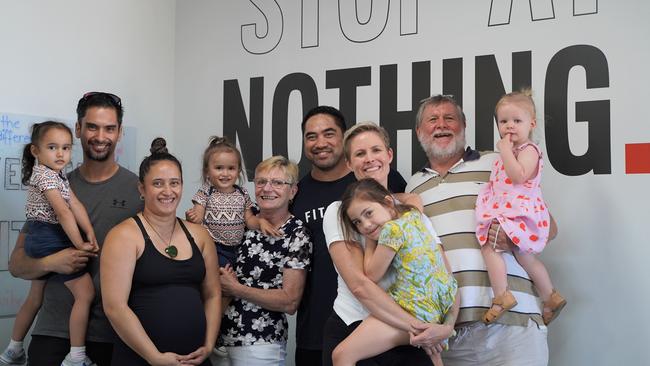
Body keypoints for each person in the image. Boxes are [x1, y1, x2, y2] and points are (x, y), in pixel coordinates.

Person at [406, 94, 558, 365]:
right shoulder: (412, 188)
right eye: (432, 119)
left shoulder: (499, 162)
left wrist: (514, 236)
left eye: (450, 118)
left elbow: (548, 226)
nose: (442, 125)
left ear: (463, 126)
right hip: (449, 334)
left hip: (514, 326)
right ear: (419, 131)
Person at [8, 92, 142, 366]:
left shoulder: (138, 190)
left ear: (119, 133)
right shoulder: (52, 184)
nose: (100, 136)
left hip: (114, 334)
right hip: (53, 333)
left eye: (109, 128)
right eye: (92, 126)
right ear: (78, 129)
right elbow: (17, 265)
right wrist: (52, 262)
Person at [322, 122, 445, 366]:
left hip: (409, 335)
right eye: (359, 153)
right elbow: (360, 286)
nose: (369, 159)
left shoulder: (412, 214)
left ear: (389, 155)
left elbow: (441, 273)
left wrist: (445, 325)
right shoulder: (338, 212)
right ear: (349, 164)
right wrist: (417, 327)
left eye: (376, 150)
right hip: (356, 327)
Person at [292, 106, 406, 366]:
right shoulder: (298, 192)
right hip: (326, 322)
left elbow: (401, 205)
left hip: (387, 323)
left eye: (329, 133)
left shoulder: (382, 183)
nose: (320, 142)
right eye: (311, 136)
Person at [101, 138, 220, 366]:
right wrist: (154, 357)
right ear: (142, 189)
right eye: (158, 183)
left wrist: (208, 345)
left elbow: (213, 295)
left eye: (175, 183)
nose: (168, 191)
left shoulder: (199, 235)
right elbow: (115, 307)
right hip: (140, 360)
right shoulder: (123, 236)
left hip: (195, 361)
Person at [1, 122, 99, 366]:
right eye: (52, 147)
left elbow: (76, 205)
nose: (60, 154)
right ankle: (76, 356)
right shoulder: (45, 175)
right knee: (85, 295)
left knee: (35, 297)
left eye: (66, 148)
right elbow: (64, 213)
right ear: (36, 151)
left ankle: (13, 350)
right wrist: (79, 245)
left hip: (39, 236)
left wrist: (90, 234)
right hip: (48, 238)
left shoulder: (58, 174)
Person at [333, 178, 458, 366]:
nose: (366, 225)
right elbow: (414, 199)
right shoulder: (413, 216)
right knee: (434, 357)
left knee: (341, 355)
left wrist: (369, 242)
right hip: (440, 303)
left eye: (369, 213)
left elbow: (372, 275)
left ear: (389, 203)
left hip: (414, 308)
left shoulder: (391, 230)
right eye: (357, 222)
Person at [475, 91, 566, 325]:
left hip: (518, 212)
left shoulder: (528, 150)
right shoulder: (510, 153)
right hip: (511, 210)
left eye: (517, 121)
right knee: (526, 257)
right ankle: (550, 296)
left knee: (489, 247)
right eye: (503, 122)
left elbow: (519, 176)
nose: (509, 127)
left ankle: (501, 295)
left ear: (531, 123)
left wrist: (504, 150)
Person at [219, 156, 311, 366]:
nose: (267, 188)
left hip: (260, 343)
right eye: (261, 181)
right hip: (217, 337)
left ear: (293, 191)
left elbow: (290, 301)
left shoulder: (296, 234)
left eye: (277, 183)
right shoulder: (242, 221)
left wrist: (236, 289)